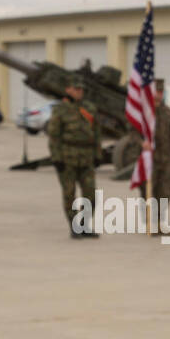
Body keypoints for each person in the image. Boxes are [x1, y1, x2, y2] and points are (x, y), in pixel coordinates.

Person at [47, 80, 100, 238]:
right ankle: (75, 226)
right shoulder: (60, 110)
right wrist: (56, 159)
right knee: (69, 194)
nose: (79, 92)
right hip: (67, 157)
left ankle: (85, 225)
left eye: (81, 89)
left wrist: (98, 155)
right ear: (68, 89)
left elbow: (97, 133)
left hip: (86, 157)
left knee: (90, 194)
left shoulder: (89, 108)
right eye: (76, 89)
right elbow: (54, 136)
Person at [149, 78, 170, 206]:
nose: (158, 95)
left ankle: (159, 220)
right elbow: (133, 133)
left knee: (165, 192)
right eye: (156, 91)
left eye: (160, 91)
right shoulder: (145, 113)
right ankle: (148, 222)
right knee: (148, 192)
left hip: (165, 160)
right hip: (150, 160)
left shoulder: (168, 113)